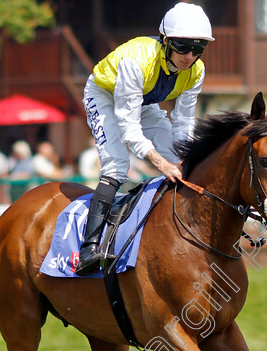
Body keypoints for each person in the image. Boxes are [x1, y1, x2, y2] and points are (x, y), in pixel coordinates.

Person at [77, 2, 213, 275]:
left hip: (143, 102)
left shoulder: (196, 71)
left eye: (198, 48)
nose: (189, 56)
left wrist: (180, 158)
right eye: (183, 46)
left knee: (182, 161)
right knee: (116, 165)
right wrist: (159, 163)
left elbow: (184, 122)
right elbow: (129, 128)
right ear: (165, 41)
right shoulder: (136, 60)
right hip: (104, 95)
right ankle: (89, 249)